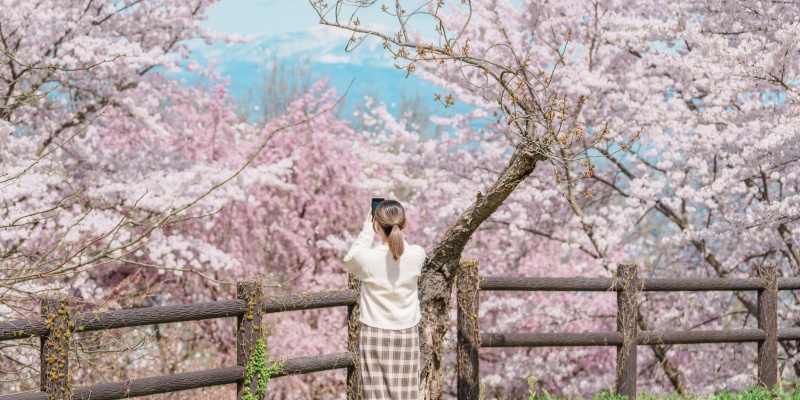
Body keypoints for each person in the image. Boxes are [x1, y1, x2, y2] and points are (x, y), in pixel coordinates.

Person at [343, 199, 427, 400]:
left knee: (376, 395)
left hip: (374, 334)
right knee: (407, 395)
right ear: (404, 224)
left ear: (376, 226)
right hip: (407, 334)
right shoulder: (418, 254)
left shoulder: (367, 260)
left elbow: (350, 258)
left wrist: (366, 229)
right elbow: (400, 250)